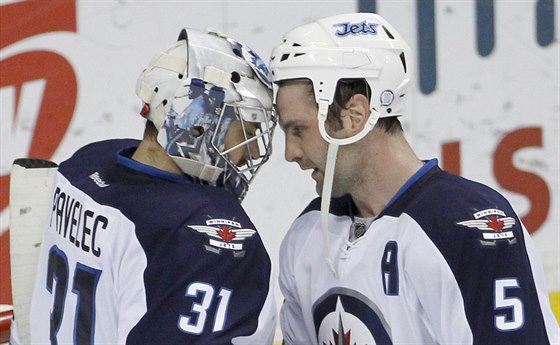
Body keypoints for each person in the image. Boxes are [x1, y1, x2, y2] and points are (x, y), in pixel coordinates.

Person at [269, 13, 559, 344]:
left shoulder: (469, 228)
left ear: (355, 116)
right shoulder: (306, 234)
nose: (290, 152)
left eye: (298, 130)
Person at [25, 26, 277, 344]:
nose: (252, 151)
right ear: (196, 123)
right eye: (246, 129)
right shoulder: (206, 234)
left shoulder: (85, 164)